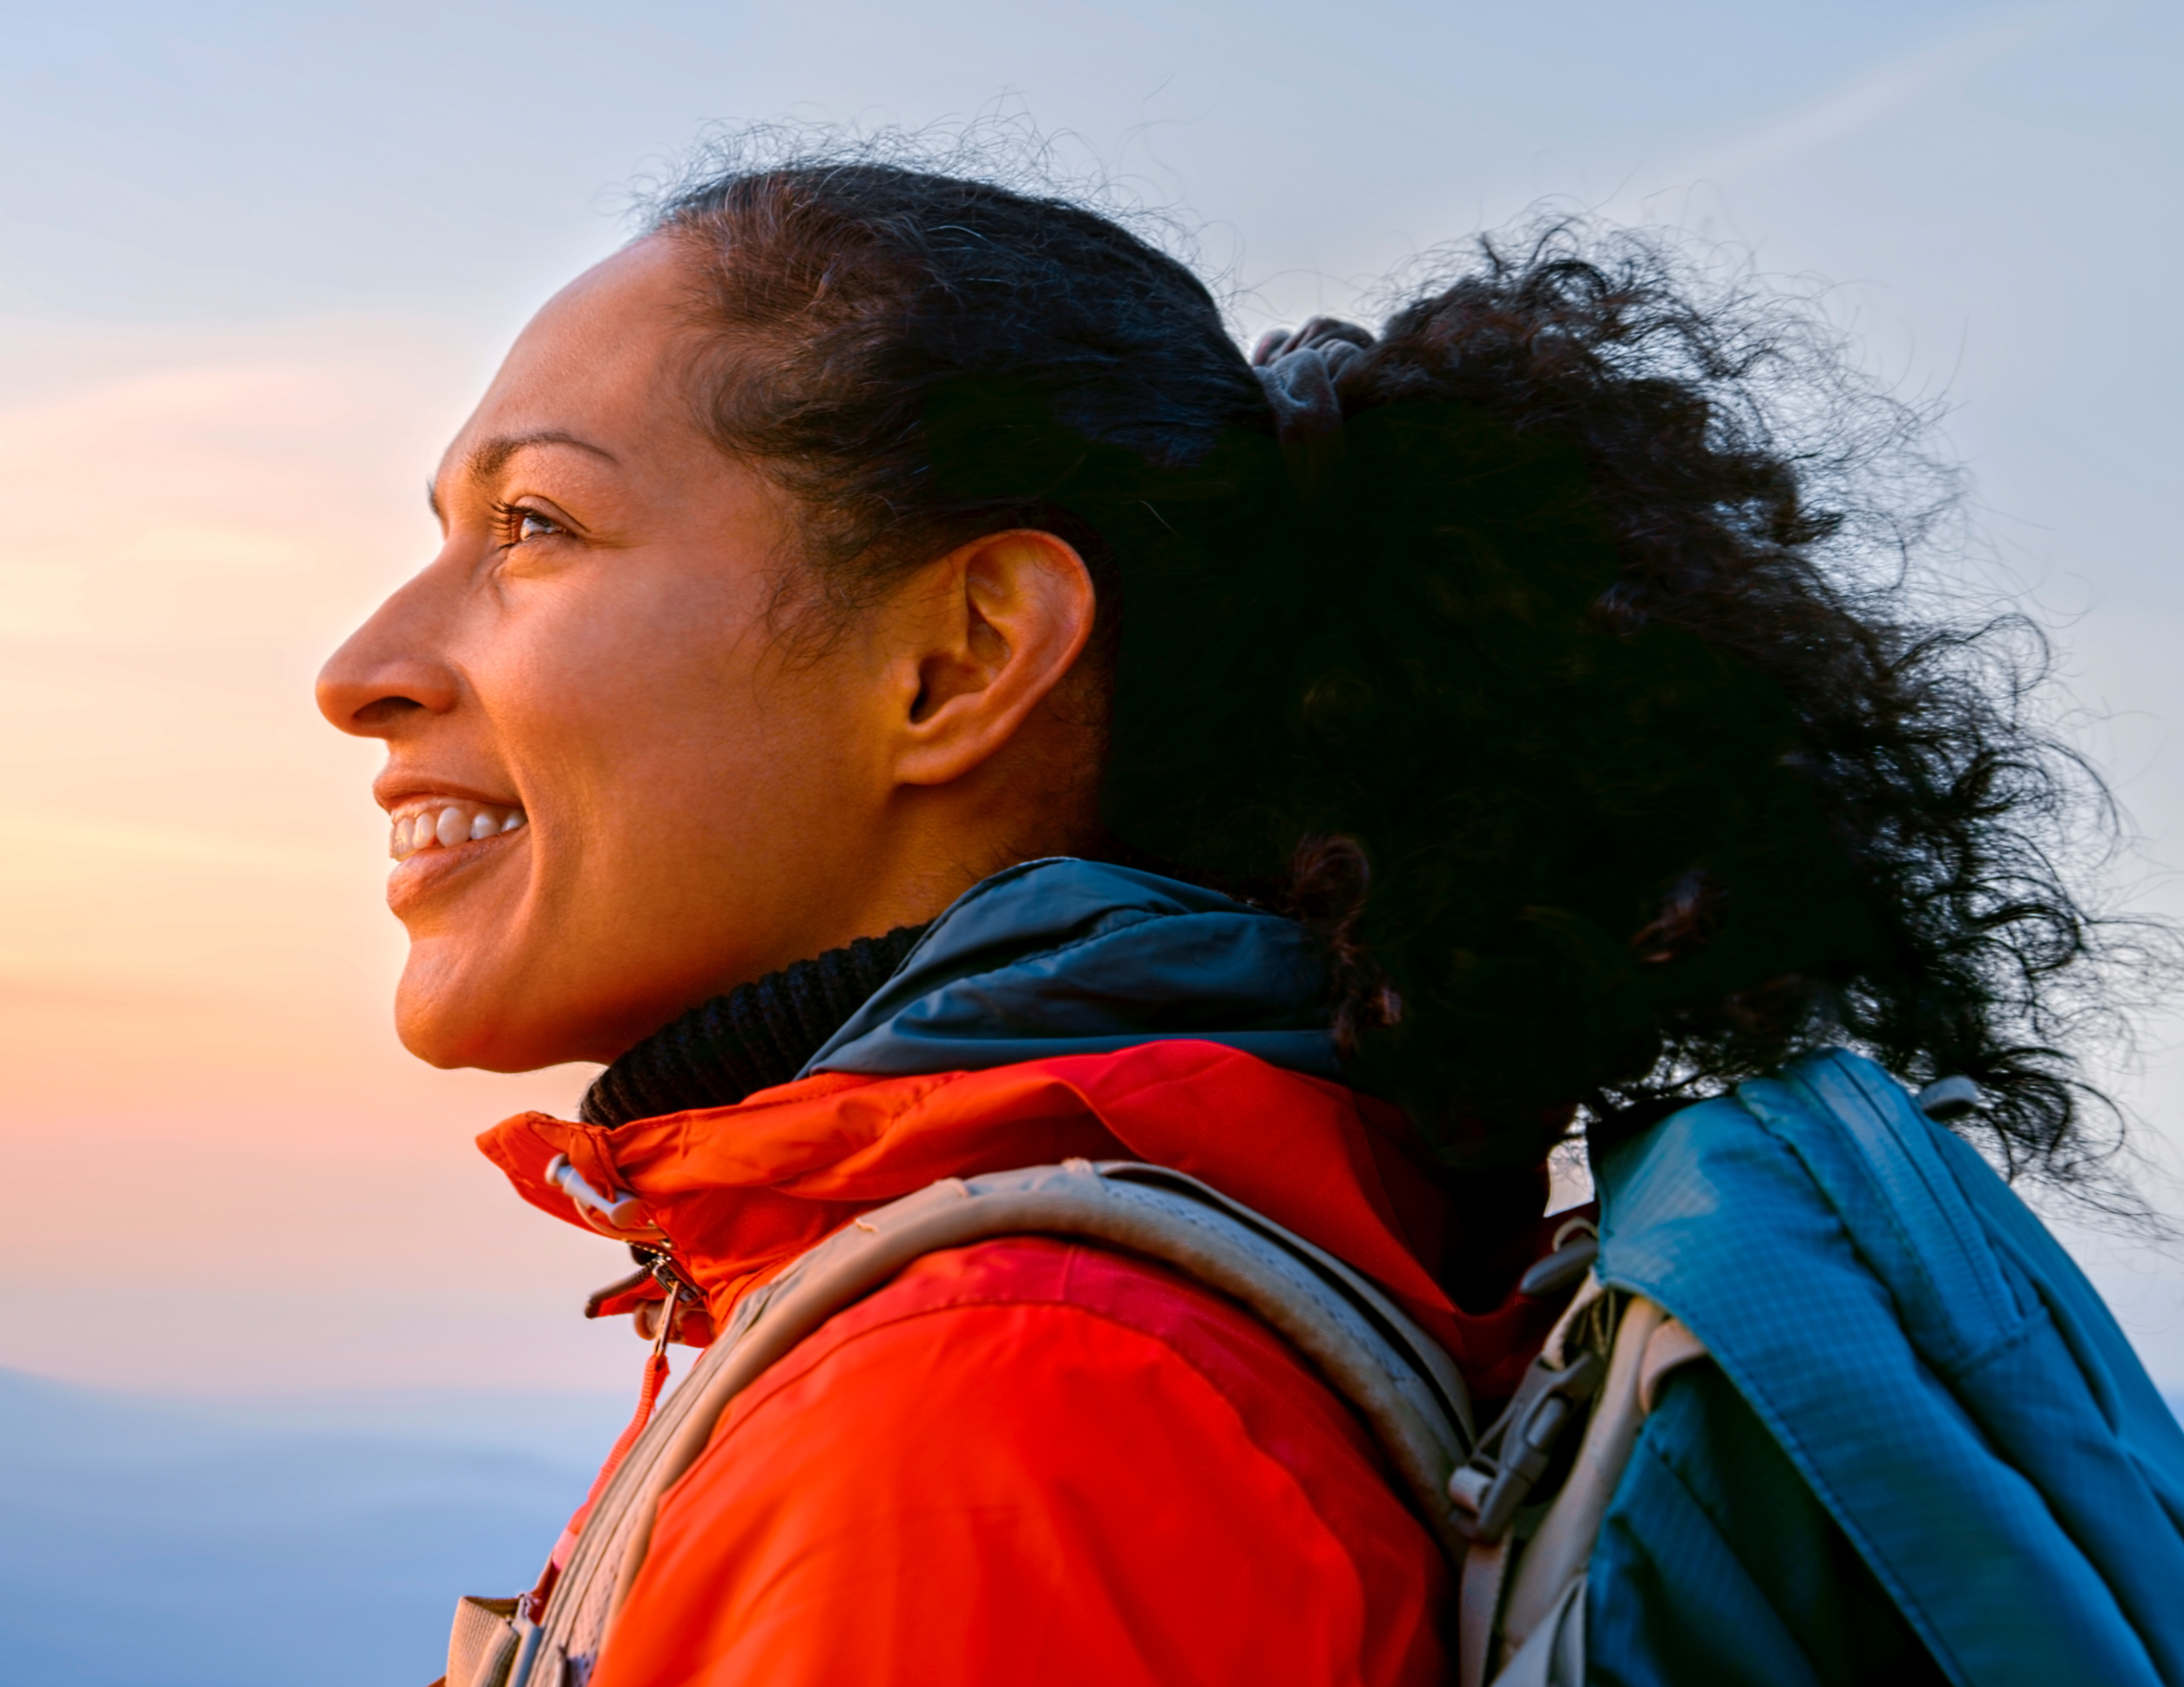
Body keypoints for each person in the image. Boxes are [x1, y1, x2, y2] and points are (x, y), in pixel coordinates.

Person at [315, 149, 2152, 1685]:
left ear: (955, 660)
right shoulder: (1039, 1317)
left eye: (535, 526)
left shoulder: (998, 1422)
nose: (365, 670)